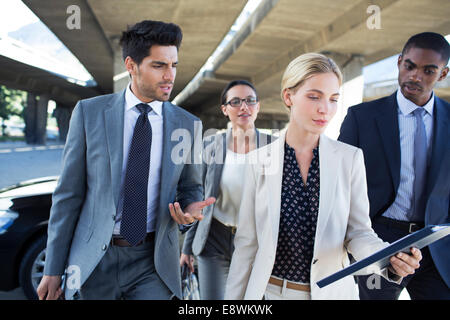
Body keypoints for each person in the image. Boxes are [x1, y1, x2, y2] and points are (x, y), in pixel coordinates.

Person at [36, 20, 215, 300]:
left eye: (174, 65)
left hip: (153, 262)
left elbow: (191, 187)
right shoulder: (89, 114)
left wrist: (189, 212)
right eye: (159, 66)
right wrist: (53, 269)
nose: (170, 75)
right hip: (95, 260)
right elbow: (67, 196)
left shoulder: (188, 125)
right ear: (131, 65)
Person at [224, 53, 422, 300]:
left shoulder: (349, 159)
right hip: (270, 293)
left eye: (333, 99)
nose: (324, 109)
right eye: (314, 96)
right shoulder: (259, 162)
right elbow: (246, 246)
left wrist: (388, 259)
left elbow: (358, 232)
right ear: (288, 96)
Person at [339, 32, 450, 300]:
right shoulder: (361, 117)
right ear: (399, 62)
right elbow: (339, 184)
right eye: (409, 66)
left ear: (443, 74)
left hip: (434, 244)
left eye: (428, 70)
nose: (415, 76)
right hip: (380, 238)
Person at [179, 80, 273, 299]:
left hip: (255, 241)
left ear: (258, 106)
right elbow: (198, 199)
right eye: (236, 101)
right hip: (214, 239)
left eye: (250, 101)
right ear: (225, 109)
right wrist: (187, 248)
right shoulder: (210, 146)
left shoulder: (275, 147)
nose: (244, 107)